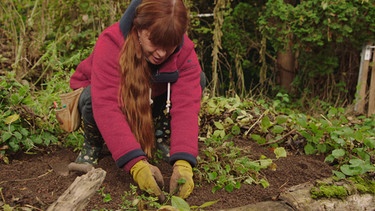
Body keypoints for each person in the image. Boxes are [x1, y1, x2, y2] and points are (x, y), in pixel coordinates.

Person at [68, 0, 205, 200]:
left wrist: (184, 161)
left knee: (199, 79)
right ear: (139, 29)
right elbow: (106, 106)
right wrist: (136, 164)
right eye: (154, 42)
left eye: (169, 46)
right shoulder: (111, 42)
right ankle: (93, 144)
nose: (161, 53)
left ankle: (160, 135)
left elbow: (186, 106)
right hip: (111, 100)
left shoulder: (184, 51)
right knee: (90, 98)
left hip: (152, 99)